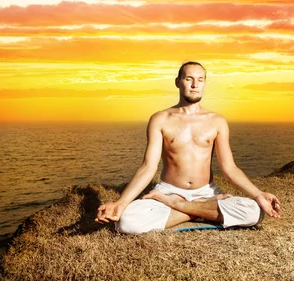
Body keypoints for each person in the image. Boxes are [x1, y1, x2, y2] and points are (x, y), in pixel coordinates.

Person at [95, 61, 281, 234]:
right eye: (189, 79)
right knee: (126, 222)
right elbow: (148, 167)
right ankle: (199, 208)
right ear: (178, 82)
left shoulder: (217, 121)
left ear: (204, 83)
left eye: (200, 80)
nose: (195, 85)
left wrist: (258, 194)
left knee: (254, 212)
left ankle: (180, 206)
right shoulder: (160, 119)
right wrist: (121, 203)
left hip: (206, 192)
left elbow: (229, 168)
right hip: (169, 191)